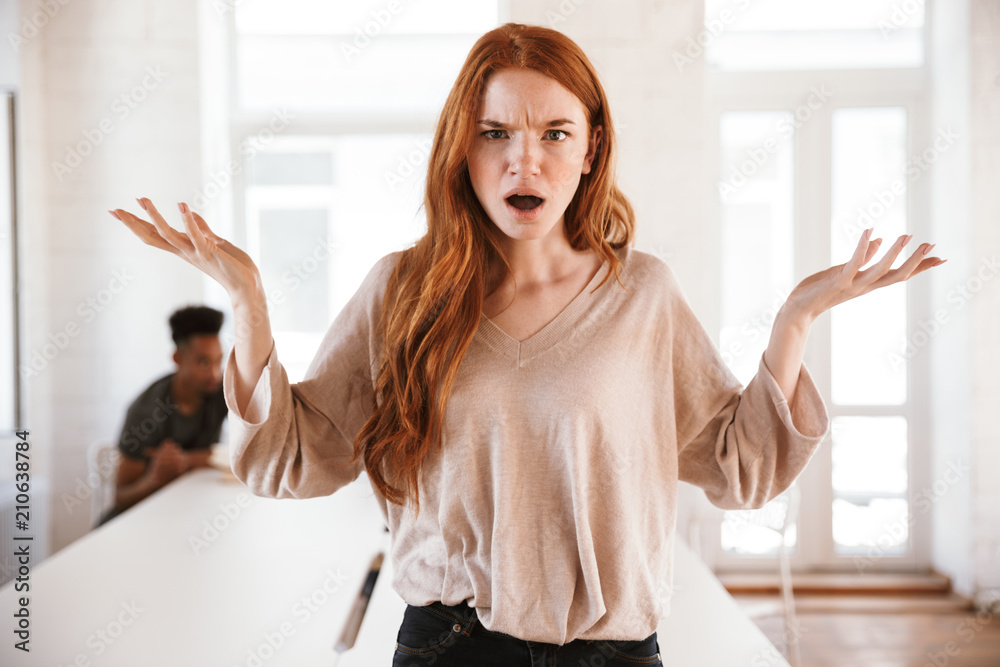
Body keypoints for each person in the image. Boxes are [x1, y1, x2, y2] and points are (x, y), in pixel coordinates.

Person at [108, 22, 945, 667]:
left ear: (590, 152)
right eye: (496, 132)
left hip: (615, 648)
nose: (525, 160)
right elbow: (292, 458)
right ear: (462, 151)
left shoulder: (642, 293)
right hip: (449, 643)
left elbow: (738, 466)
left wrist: (794, 320)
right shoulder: (402, 290)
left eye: (554, 132)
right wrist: (248, 296)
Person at [97, 306, 228, 527]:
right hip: (136, 524)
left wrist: (186, 461)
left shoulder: (219, 391)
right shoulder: (144, 412)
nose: (215, 373)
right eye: (204, 362)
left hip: (187, 515)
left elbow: (244, 455)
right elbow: (120, 498)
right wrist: (153, 480)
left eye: (219, 361)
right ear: (177, 358)